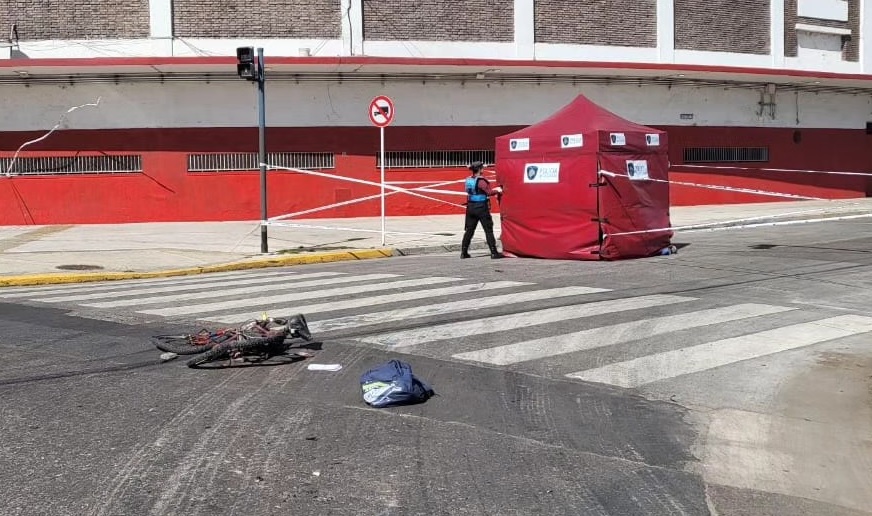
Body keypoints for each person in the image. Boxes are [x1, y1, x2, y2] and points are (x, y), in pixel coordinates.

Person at [461, 161, 503, 259]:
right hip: (481, 207)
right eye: (482, 168)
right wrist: (498, 190)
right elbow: (489, 192)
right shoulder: (481, 181)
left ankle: (464, 252)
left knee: (469, 230)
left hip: (470, 207)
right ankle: (493, 252)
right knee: (488, 230)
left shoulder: (468, 180)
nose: (483, 169)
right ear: (479, 169)